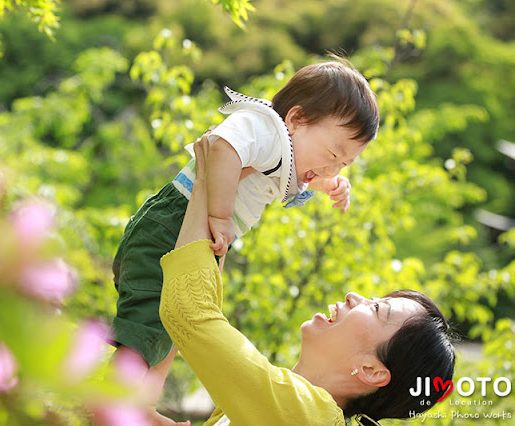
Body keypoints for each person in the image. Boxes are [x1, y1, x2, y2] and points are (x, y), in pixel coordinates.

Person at [110, 58, 379, 423]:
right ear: (297, 119)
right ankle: (108, 401)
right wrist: (220, 215)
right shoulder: (264, 126)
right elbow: (221, 147)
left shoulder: (288, 150)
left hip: (201, 233)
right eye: (333, 155)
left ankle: (138, 411)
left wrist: (329, 182)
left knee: (167, 332)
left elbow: (296, 176)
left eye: (344, 165)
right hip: (173, 223)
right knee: (147, 323)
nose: (333, 168)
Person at [158, 137, 456, 425]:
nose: (355, 295)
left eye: (377, 308)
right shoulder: (287, 409)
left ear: (371, 370)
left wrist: (208, 180)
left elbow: (190, 313)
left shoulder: (305, 417)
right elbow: (197, 312)